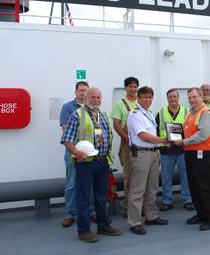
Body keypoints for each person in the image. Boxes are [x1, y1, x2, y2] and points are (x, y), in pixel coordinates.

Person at [61, 87, 121, 243]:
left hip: (102, 162)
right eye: (92, 97)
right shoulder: (77, 115)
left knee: (101, 196)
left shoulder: (104, 115)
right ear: (86, 98)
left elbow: (108, 136)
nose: (96, 100)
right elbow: (67, 139)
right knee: (84, 197)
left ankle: (103, 225)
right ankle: (84, 230)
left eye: (98, 97)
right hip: (85, 163)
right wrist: (76, 153)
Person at [174, 87, 210, 231]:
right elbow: (183, 129)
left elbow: (203, 135)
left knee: (205, 186)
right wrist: (174, 136)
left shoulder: (205, 113)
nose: (192, 100)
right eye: (190, 98)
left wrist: (183, 141)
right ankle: (201, 214)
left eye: (195, 97)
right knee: (195, 186)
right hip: (191, 153)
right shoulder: (190, 113)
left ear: (201, 97)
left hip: (203, 153)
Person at [127, 86, 168, 235]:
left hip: (152, 153)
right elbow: (143, 136)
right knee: (138, 189)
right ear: (138, 98)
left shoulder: (149, 113)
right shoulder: (135, 114)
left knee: (152, 187)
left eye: (150, 97)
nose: (148, 100)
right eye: (144, 97)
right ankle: (134, 222)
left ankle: (151, 216)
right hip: (141, 154)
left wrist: (159, 146)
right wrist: (164, 140)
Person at [59, 81, 95, 227]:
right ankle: (69, 214)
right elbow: (66, 129)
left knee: (90, 183)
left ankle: (92, 212)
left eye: (85, 90)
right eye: (80, 90)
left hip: (90, 153)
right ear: (75, 92)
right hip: (72, 152)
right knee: (72, 184)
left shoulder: (92, 108)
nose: (83, 93)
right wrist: (79, 148)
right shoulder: (67, 108)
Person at [155, 88, 193, 211]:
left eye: (174, 97)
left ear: (178, 98)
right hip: (167, 150)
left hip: (183, 149)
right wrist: (162, 143)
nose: (172, 99)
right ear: (167, 99)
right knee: (166, 177)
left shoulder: (187, 111)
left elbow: (191, 130)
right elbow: (155, 132)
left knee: (186, 176)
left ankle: (187, 200)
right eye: (170, 97)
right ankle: (167, 201)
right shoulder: (160, 112)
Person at [111, 77, 139, 217]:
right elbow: (116, 125)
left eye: (135, 87)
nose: (133, 89)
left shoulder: (141, 102)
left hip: (142, 143)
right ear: (125, 88)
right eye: (130, 87)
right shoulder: (119, 104)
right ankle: (128, 205)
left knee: (140, 174)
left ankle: (139, 204)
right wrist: (128, 139)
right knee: (129, 176)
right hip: (127, 145)